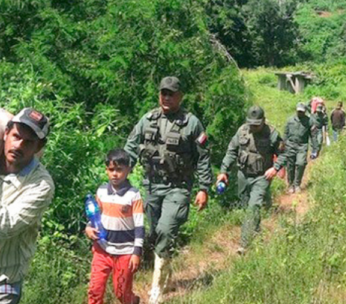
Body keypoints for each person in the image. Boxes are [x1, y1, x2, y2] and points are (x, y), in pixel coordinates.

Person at [124, 76, 213, 304]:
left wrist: (204, 188)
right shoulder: (148, 119)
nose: (166, 97)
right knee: (155, 235)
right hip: (153, 186)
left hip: (179, 188)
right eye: (163, 93)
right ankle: (167, 276)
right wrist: (122, 174)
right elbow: (131, 148)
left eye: (171, 93)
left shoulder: (191, 123)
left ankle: (156, 291)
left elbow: (203, 158)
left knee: (165, 230)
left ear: (180, 96)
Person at [0, 108, 54, 304]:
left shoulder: (41, 185)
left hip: (4, 283)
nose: (18, 145)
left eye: (28, 142)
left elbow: (5, 226)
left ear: (40, 146)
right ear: (6, 133)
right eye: (15, 136)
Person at [217, 106, 286, 254]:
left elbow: (284, 154)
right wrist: (223, 171)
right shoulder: (242, 131)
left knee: (253, 206)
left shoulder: (272, 134)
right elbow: (231, 151)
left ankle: (244, 244)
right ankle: (256, 232)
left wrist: (275, 168)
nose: (253, 127)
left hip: (262, 177)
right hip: (243, 175)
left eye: (257, 124)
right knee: (245, 206)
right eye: (251, 124)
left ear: (263, 121)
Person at [86, 149, 144, 304]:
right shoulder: (101, 191)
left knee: (121, 293)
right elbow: (94, 217)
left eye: (119, 170)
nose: (115, 174)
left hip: (125, 252)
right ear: (106, 170)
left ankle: (132, 300)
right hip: (102, 249)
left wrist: (136, 253)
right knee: (95, 290)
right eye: (111, 170)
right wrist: (88, 228)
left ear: (128, 170)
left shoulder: (133, 195)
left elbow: (139, 226)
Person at [284, 102, 317, 193]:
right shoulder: (290, 120)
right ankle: (290, 184)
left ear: (305, 111)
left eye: (302, 112)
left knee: (301, 163)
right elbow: (285, 134)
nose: (300, 113)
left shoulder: (309, 121)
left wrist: (315, 148)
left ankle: (297, 184)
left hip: (302, 146)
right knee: (290, 165)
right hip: (290, 145)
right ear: (296, 110)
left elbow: (313, 136)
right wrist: (283, 145)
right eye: (298, 111)